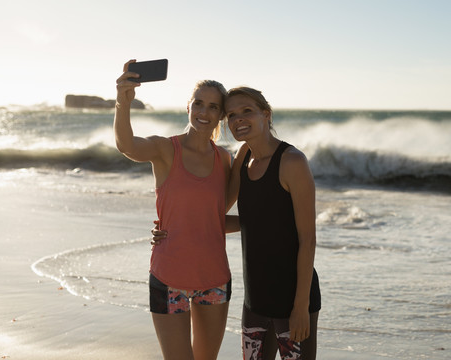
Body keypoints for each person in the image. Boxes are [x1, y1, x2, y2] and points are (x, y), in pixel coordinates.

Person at [153, 86, 321, 360]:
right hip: (255, 301)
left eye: (247, 112)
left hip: (293, 300)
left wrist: (301, 306)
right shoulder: (242, 158)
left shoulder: (292, 162)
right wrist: (170, 228)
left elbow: (308, 239)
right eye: (231, 114)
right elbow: (217, 217)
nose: (239, 120)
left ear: (266, 115)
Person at [114, 59, 233, 360]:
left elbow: (213, 218)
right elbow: (127, 145)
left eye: (213, 107)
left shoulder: (225, 160)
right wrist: (123, 101)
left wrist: (264, 222)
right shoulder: (166, 149)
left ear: (221, 115)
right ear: (189, 107)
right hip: (169, 277)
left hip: (214, 277)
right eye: (199, 104)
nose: (204, 112)